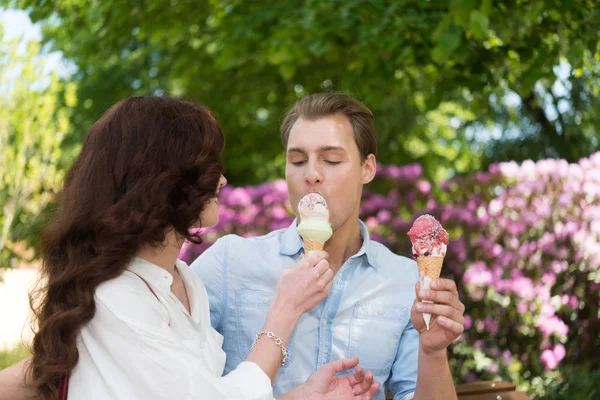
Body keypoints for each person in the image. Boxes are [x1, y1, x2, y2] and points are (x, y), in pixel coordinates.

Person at [0, 96, 381, 400]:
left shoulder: (182, 280)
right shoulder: (117, 298)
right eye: (208, 164)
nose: (224, 178)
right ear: (164, 179)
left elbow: (204, 391)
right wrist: (285, 312)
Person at [192, 92, 466, 400]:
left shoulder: (405, 282)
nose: (311, 174)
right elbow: (173, 383)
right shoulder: (228, 263)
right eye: (297, 160)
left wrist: (433, 352)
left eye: (331, 160)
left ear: (367, 168)